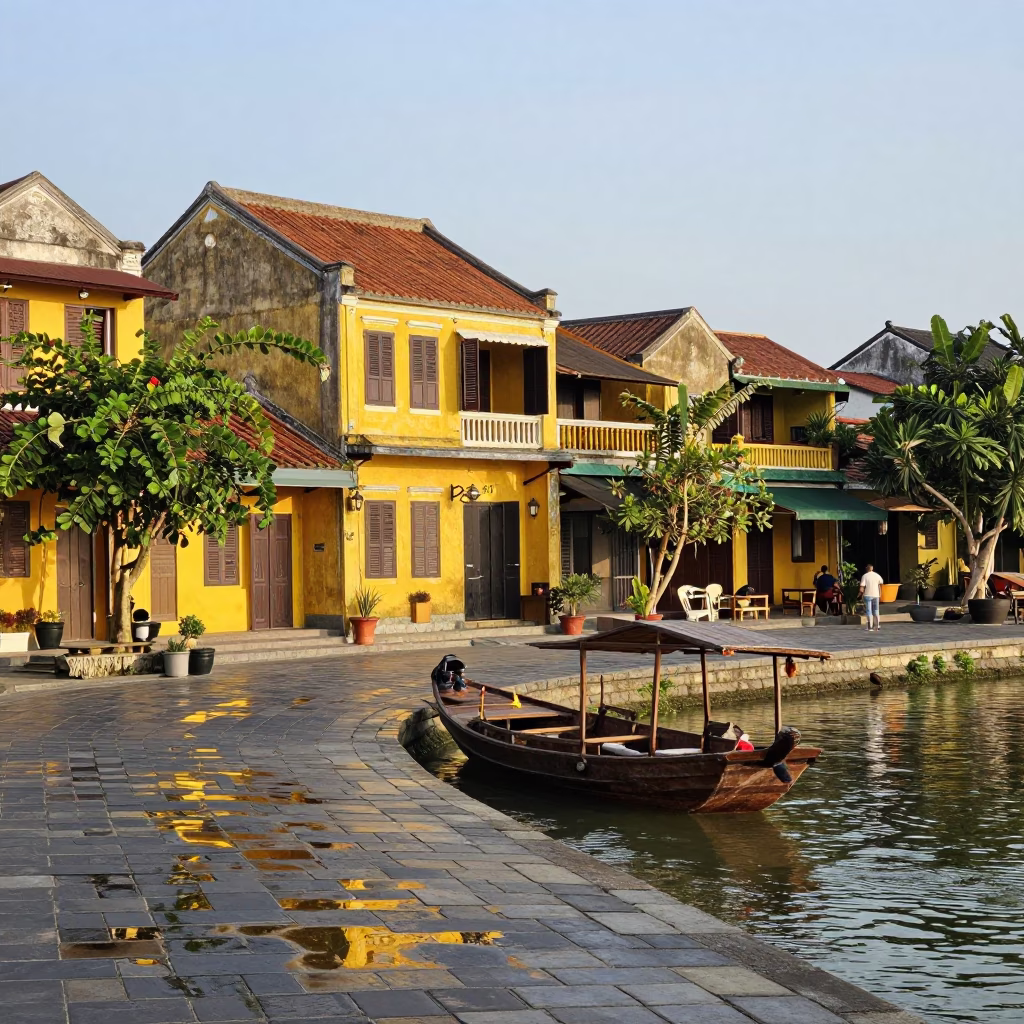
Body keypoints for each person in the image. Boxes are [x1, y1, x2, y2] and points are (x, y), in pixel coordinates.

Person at [859, 562, 885, 632]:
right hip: (876, 595)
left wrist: (860, 594)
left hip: (867, 595)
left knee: (869, 611)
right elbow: (881, 582)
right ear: (872, 568)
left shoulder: (864, 576)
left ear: (866, 569)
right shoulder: (877, 575)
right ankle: (877, 626)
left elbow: (862, 587)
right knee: (876, 610)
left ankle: (869, 627)